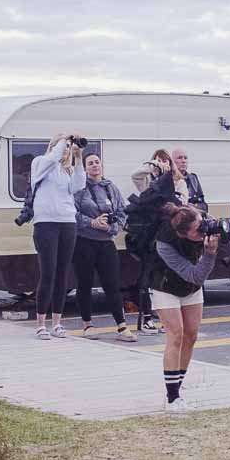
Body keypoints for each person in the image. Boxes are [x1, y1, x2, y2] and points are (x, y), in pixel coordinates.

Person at [146, 205, 230, 415]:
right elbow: (194, 275)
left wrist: (225, 235)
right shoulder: (166, 243)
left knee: (191, 335)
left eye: (203, 225)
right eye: (197, 231)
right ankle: (172, 399)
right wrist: (209, 253)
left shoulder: (202, 220)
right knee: (176, 335)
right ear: (183, 233)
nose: (202, 232)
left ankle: (178, 391)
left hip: (191, 289)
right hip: (165, 285)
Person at [73, 151, 136, 341]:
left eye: (97, 162)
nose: (94, 165)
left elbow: (122, 212)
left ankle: (122, 327)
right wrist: (91, 222)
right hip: (83, 242)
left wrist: (112, 226)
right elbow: (71, 213)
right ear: (84, 168)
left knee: (112, 284)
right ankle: (87, 324)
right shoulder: (79, 188)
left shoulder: (111, 187)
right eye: (90, 163)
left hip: (106, 243)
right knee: (84, 284)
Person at [29, 133, 86, 339]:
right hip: (46, 223)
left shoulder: (66, 170)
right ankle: (41, 323)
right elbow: (51, 159)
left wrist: (78, 158)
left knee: (63, 273)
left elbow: (79, 185)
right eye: (63, 147)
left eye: (67, 148)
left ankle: (57, 322)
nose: (65, 151)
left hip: (67, 222)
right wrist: (64, 140)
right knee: (48, 273)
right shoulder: (40, 164)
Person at [127, 149, 176, 332]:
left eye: (165, 161)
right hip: (149, 237)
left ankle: (166, 318)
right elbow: (135, 175)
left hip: (169, 235)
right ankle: (147, 317)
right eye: (158, 160)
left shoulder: (177, 182)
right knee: (147, 276)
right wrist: (152, 166)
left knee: (166, 277)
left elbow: (181, 203)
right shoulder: (148, 183)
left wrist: (167, 174)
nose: (162, 163)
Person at [171, 148, 209, 213]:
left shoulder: (193, 178)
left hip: (195, 217)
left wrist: (194, 207)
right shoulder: (168, 180)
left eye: (185, 158)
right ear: (172, 162)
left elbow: (204, 205)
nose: (183, 161)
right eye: (179, 158)